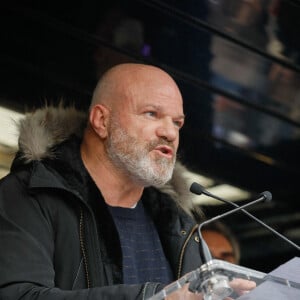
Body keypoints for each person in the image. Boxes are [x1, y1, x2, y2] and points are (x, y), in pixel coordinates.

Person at [0, 63, 255, 299]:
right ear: (101, 121)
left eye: (177, 123)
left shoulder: (180, 225)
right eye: (152, 114)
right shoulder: (29, 194)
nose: (169, 132)